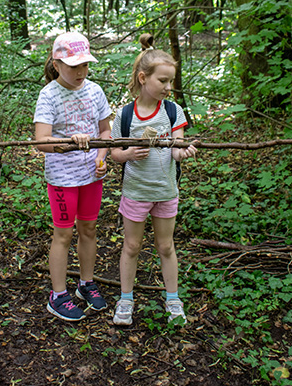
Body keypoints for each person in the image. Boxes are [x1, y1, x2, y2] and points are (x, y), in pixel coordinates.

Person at [108, 42, 198, 326]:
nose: (168, 86)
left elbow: (176, 147)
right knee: (132, 246)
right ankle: (126, 299)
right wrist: (128, 153)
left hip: (165, 191)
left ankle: (173, 299)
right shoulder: (125, 115)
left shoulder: (172, 112)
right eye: (162, 80)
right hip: (136, 192)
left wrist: (182, 151)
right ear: (143, 78)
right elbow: (114, 154)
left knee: (166, 246)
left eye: (171, 81)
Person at [33, 32, 113, 322]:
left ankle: (86, 283)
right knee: (64, 234)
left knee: (89, 230)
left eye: (84, 66)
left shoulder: (94, 91)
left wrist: (102, 158)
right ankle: (58, 294)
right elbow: (41, 141)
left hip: (92, 175)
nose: (80, 72)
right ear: (57, 65)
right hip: (63, 178)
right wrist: (70, 140)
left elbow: (105, 132)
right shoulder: (49, 95)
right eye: (73, 66)